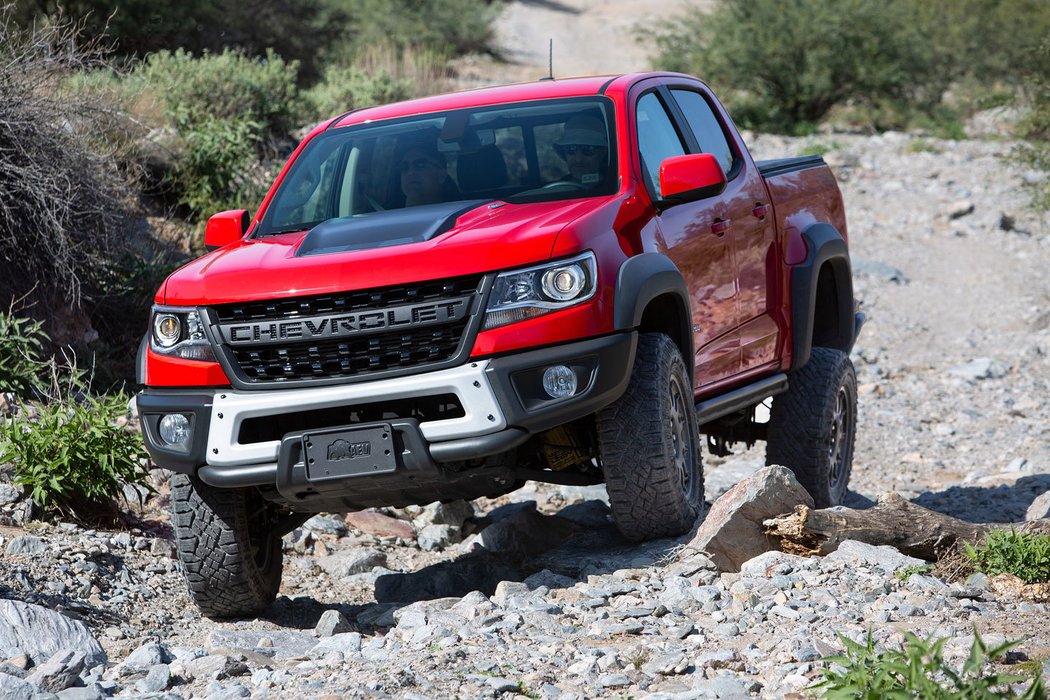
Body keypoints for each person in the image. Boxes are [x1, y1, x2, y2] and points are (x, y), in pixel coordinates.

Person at [396, 142, 456, 207]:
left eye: (420, 165)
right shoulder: (387, 215)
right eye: (404, 167)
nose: (410, 173)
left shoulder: (461, 214)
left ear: (442, 175)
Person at [554, 114, 609, 186]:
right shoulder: (559, 188)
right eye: (570, 149)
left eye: (588, 149)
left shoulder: (614, 186)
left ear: (602, 152)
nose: (578, 159)